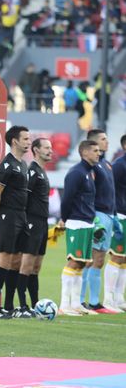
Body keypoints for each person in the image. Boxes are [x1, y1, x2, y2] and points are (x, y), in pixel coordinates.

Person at [0, 125, 31, 319]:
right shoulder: (7, 165)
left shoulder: (22, 164)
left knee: (16, 261)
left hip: (21, 216)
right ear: (15, 141)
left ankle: (8, 305)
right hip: (7, 216)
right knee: (4, 260)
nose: (29, 142)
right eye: (25, 139)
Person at [59, 140, 101, 316]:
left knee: (82, 263)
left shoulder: (88, 172)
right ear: (84, 153)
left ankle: (75, 303)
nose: (98, 153)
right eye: (95, 150)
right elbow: (67, 199)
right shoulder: (76, 172)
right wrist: (64, 219)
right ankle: (64, 305)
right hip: (76, 222)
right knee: (73, 261)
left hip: (87, 222)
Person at [81, 129, 120, 313]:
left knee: (99, 260)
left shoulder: (107, 164)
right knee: (91, 259)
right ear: (93, 143)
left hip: (109, 215)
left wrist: (113, 215)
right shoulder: (93, 167)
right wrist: (95, 217)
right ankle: (83, 301)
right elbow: (89, 193)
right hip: (98, 216)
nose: (107, 142)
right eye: (104, 139)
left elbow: (110, 192)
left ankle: (94, 302)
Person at [25, 138, 54, 310]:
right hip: (32, 222)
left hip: (43, 223)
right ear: (36, 150)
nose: (51, 151)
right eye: (47, 148)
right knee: (27, 265)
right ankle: (22, 304)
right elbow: (25, 198)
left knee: (36, 267)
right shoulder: (32, 171)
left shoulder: (42, 171)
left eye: (51, 148)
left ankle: (35, 303)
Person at [105, 148, 126, 310]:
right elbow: (110, 190)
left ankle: (119, 298)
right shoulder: (119, 165)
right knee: (117, 257)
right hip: (120, 215)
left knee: (124, 259)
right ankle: (108, 298)